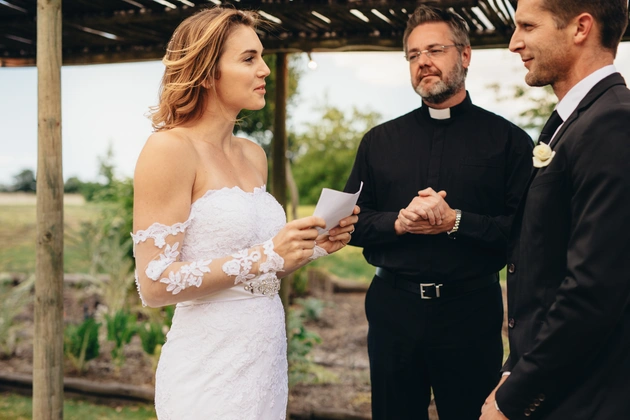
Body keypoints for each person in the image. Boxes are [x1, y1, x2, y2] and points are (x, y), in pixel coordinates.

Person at [130, 7, 358, 419]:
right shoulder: (169, 150)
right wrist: (266, 254)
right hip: (207, 366)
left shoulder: (253, 155)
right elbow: (154, 285)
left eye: (262, 57)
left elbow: (256, 274)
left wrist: (310, 249)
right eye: (248, 59)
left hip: (264, 362)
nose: (265, 70)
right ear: (206, 72)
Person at [343, 5, 534, 420]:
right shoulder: (378, 141)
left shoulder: (509, 142)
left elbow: (522, 236)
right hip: (393, 310)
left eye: (434, 50)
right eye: (413, 55)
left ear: (465, 55)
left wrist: (456, 222)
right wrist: (395, 221)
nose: (423, 62)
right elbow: (349, 223)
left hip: (471, 313)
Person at [480, 1, 630, 419]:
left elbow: (593, 290)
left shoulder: (613, 124)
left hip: (587, 396)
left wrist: (515, 398)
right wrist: (514, 368)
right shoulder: (577, 120)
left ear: (581, 28)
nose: (514, 43)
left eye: (527, 26)